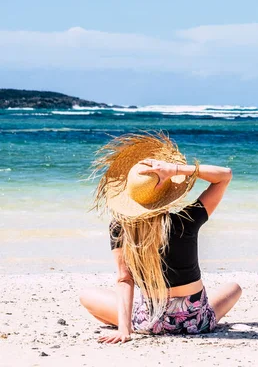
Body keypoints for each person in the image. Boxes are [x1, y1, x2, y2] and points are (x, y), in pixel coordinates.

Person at [79, 133, 242, 344]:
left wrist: (124, 329)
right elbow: (224, 175)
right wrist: (175, 169)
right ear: (167, 193)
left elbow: (124, 279)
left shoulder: (120, 227)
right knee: (234, 288)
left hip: (150, 322)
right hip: (196, 321)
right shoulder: (186, 219)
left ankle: (131, 323)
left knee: (87, 296)